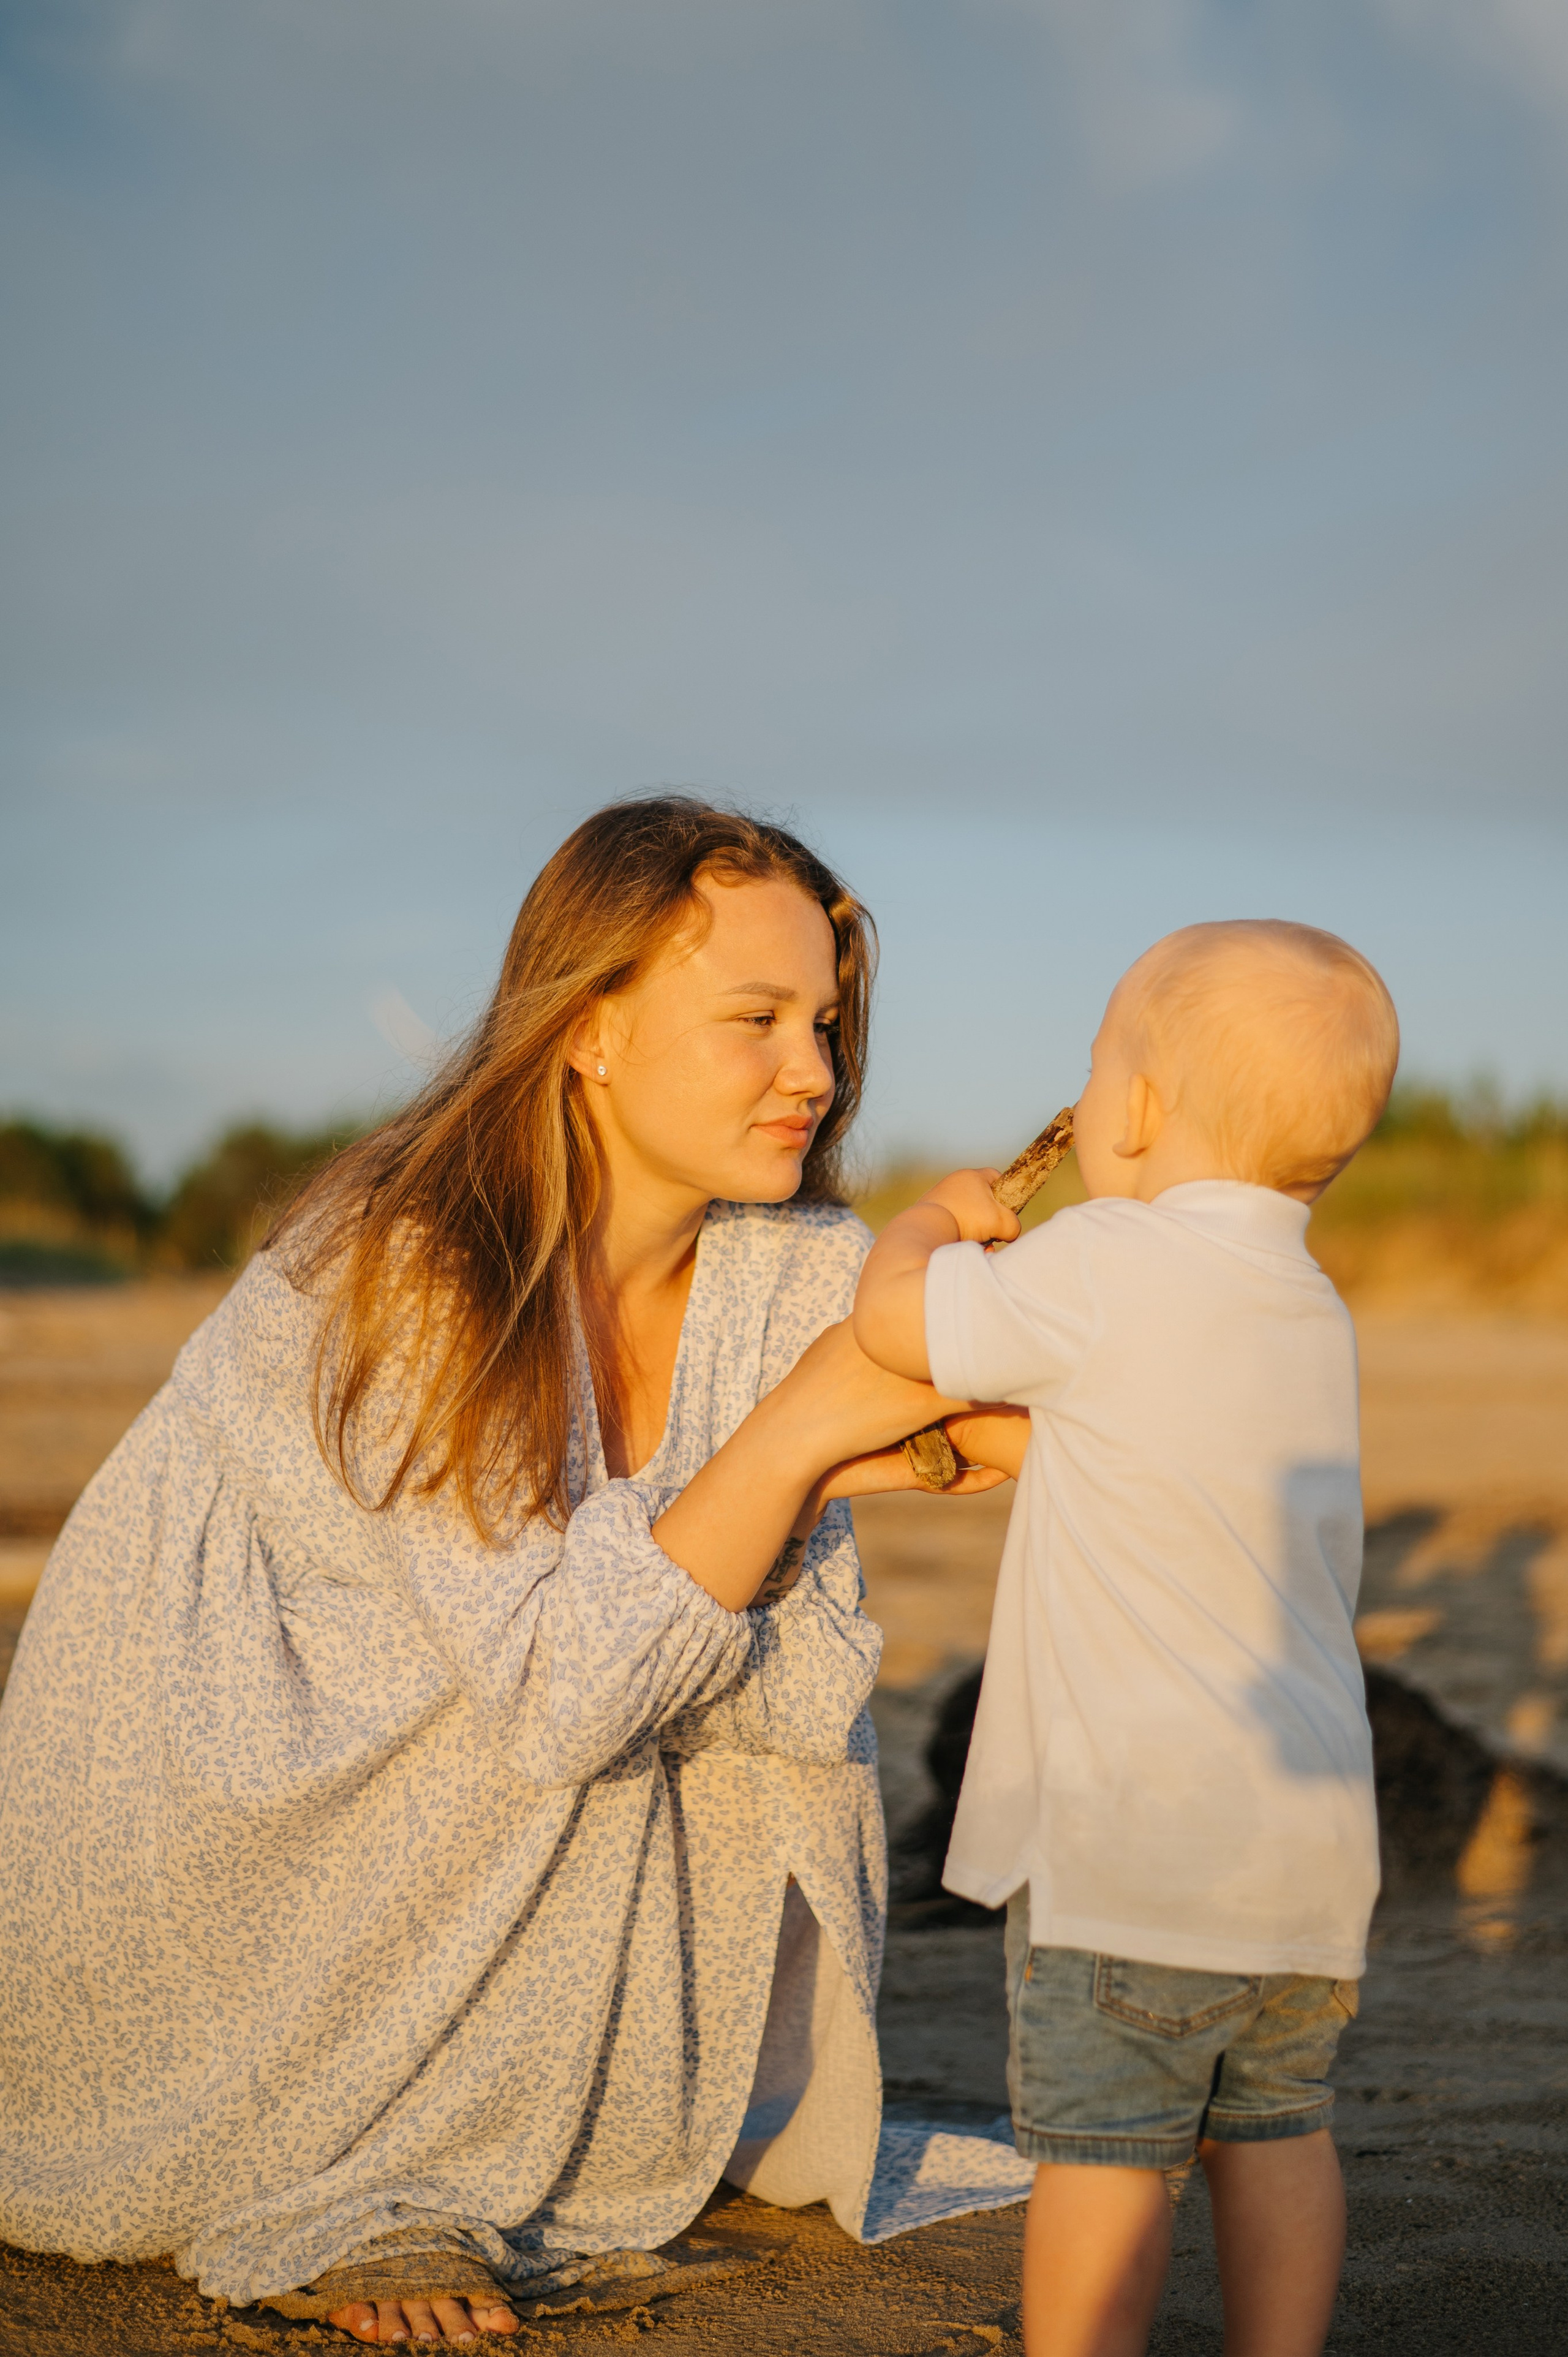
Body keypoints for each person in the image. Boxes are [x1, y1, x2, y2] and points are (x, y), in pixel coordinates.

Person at [0, 798, 1005, 2345]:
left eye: (823, 1019)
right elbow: (560, 1688)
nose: (813, 1071)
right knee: (531, 1658)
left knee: (645, 1637)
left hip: (506, 1705)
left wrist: (922, 1418)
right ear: (589, 1026)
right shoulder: (408, 1262)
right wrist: (810, 1426)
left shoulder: (789, 1262)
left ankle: (531, 2111)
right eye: (755, 1018)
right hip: (230, 1787)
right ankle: (369, 2164)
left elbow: (980, 1446)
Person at [851, 920, 1401, 2357]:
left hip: (1131, 1848)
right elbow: (1158, 1459)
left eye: (1096, 1058)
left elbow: (900, 1325)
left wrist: (929, 1225)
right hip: (1302, 1851)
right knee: (1277, 2130)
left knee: (1104, 2153)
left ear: (1138, 1108)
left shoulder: (1105, 1257)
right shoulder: (1306, 1306)